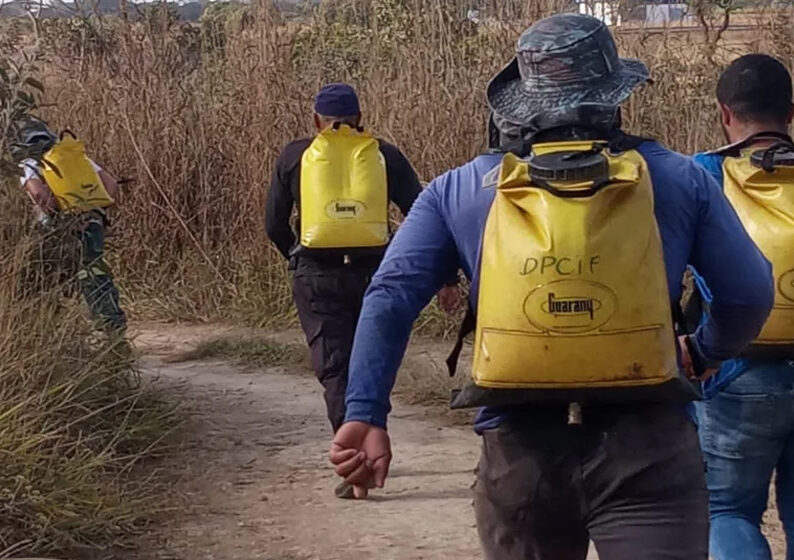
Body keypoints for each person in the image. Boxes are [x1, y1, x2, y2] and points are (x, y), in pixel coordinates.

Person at [329, 14, 774, 560]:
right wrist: (702, 351)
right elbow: (750, 293)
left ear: (522, 102)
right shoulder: (679, 178)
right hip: (649, 445)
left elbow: (389, 295)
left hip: (520, 456)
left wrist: (364, 412)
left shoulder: (460, 188)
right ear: (615, 95)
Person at [265, 84, 460, 497]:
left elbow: (273, 224)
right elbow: (422, 214)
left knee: (335, 368)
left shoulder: (294, 156)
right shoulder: (383, 155)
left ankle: (353, 461)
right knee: (370, 363)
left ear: (316, 120)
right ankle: (372, 438)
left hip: (316, 276)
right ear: (360, 118)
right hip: (377, 272)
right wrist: (446, 278)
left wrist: (298, 258)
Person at [691, 54, 794, 560]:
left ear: (725, 113)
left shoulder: (702, 174)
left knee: (728, 510)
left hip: (735, 373)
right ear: (791, 113)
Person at [11, 117, 127, 338]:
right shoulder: (73, 156)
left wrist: (56, 213)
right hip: (92, 222)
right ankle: (112, 327)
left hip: (57, 229)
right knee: (94, 271)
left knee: (48, 279)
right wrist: (89, 209)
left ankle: (52, 333)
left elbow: (38, 194)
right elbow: (111, 186)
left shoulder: (28, 163)